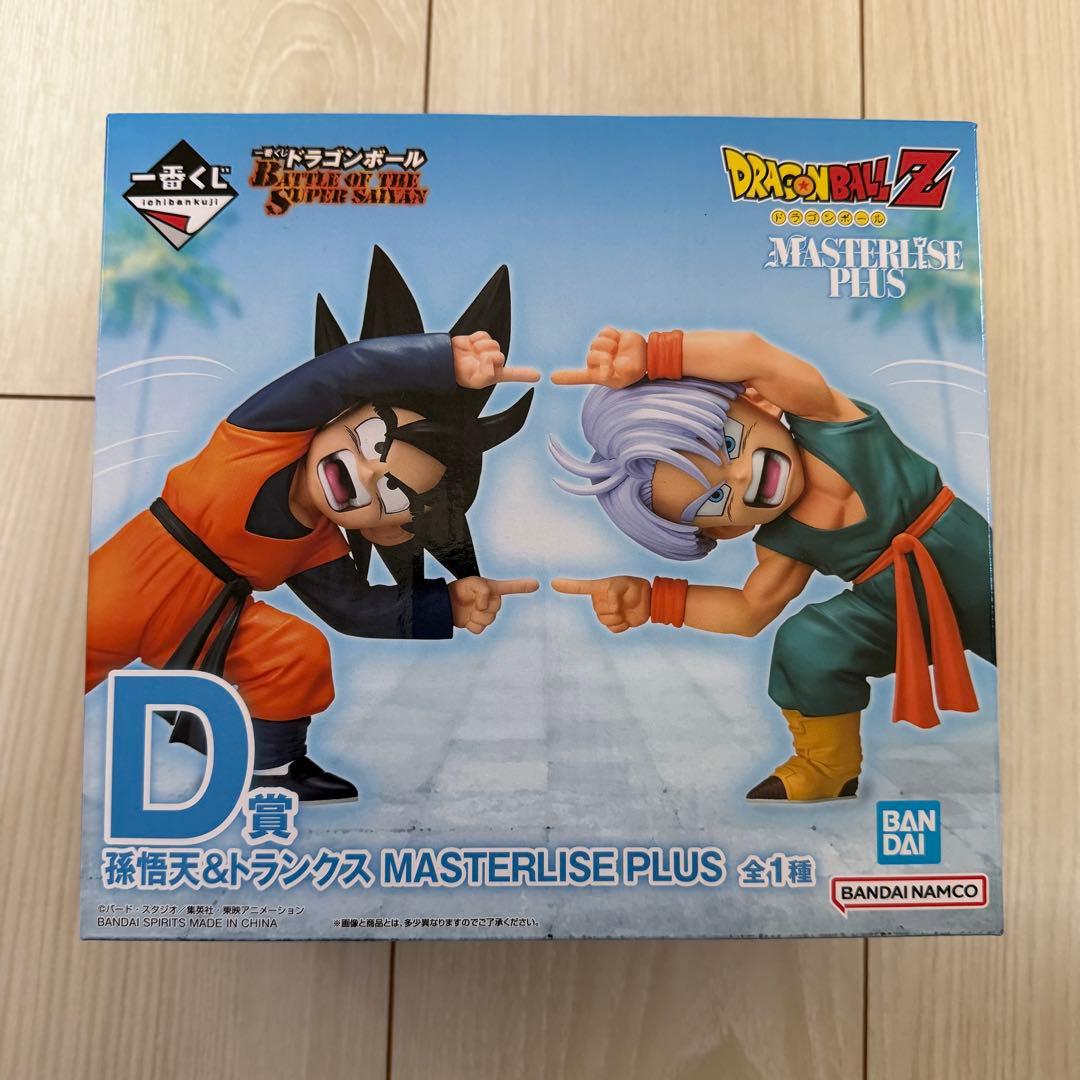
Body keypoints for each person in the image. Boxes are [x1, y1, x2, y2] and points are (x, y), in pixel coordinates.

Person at [87, 247, 539, 802]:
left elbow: (354, 609)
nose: (368, 473)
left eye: (392, 493)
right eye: (373, 440)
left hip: (205, 624)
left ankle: (272, 767)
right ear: (342, 413)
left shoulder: (317, 546)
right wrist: (441, 360)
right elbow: (338, 372)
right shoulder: (258, 437)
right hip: (126, 584)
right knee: (54, 666)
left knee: (296, 651)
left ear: (387, 530)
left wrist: (446, 604)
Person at [550, 326, 994, 802]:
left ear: (758, 403)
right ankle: (828, 767)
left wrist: (653, 354)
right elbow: (748, 611)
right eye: (716, 498)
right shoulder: (786, 543)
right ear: (725, 530)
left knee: (1036, 643)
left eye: (729, 444)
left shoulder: (829, 420)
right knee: (808, 644)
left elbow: (753, 355)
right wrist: (655, 601)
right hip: (897, 608)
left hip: (974, 558)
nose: (742, 476)